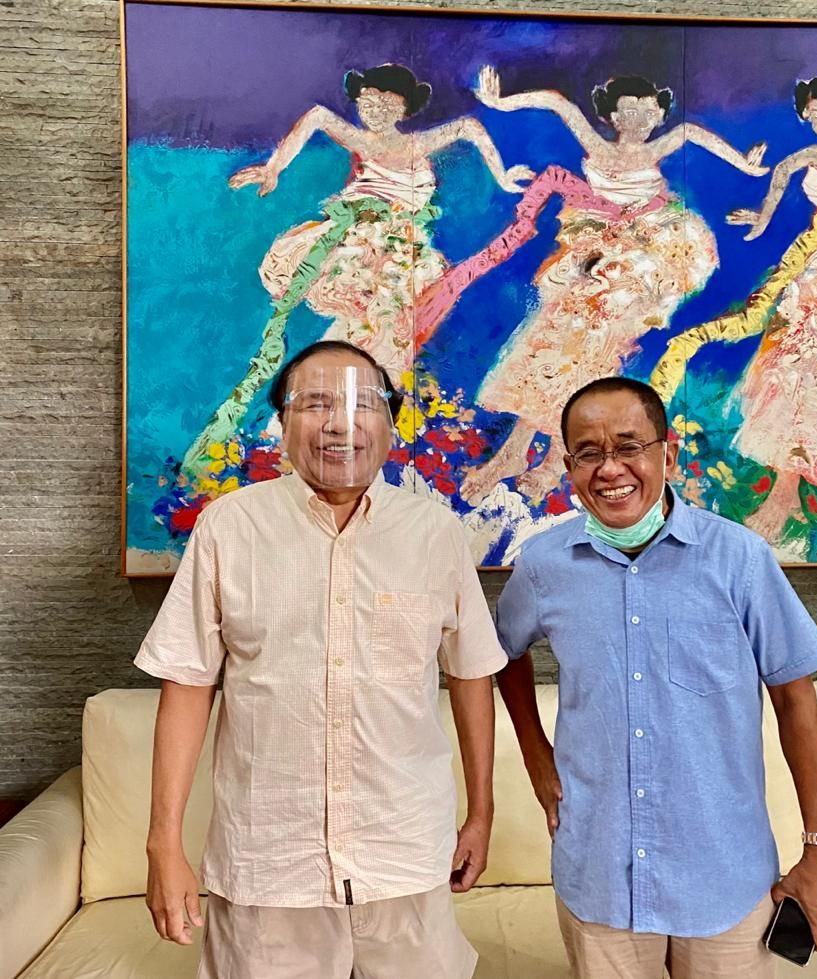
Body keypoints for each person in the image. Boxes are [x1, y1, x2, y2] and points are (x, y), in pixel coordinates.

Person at [138, 339, 507, 978]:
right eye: (315, 404)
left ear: (390, 423)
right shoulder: (229, 527)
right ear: (282, 422)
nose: (340, 424)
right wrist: (162, 843)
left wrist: (481, 813)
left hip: (404, 852)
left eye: (363, 404)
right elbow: (188, 684)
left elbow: (471, 673)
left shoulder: (435, 533)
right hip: (268, 862)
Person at [494, 376, 817, 978]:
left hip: (724, 874)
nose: (610, 469)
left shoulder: (739, 558)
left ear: (669, 454)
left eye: (629, 446)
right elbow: (502, 653)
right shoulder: (543, 565)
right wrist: (535, 755)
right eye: (589, 453)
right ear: (569, 467)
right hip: (599, 871)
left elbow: (796, 701)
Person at [415, 68, 767, 507]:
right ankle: (516, 452)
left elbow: (694, 134)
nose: (638, 118)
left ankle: (550, 463)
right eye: (628, 110)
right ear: (612, 117)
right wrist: (501, 103)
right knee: (547, 348)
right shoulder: (595, 144)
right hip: (587, 259)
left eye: (647, 111)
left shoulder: (661, 145)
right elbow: (556, 103)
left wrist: (744, 164)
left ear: (659, 116)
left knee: (592, 358)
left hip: (635, 265)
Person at [181, 63, 532, 476]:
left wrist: (503, 177)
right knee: (364, 335)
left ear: (403, 108)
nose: (374, 109)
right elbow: (317, 117)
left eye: (385, 102)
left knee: (376, 340)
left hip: (401, 256)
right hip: (359, 249)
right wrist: (274, 167)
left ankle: (322, 436)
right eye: (367, 101)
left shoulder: (418, 143)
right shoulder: (361, 139)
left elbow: (470, 127)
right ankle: (293, 438)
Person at [651, 72, 817, 543]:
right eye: (816, 115)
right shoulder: (810, 155)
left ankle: (812, 477)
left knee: (813, 350)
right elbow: (779, 177)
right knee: (786, 356)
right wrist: (761, 217)